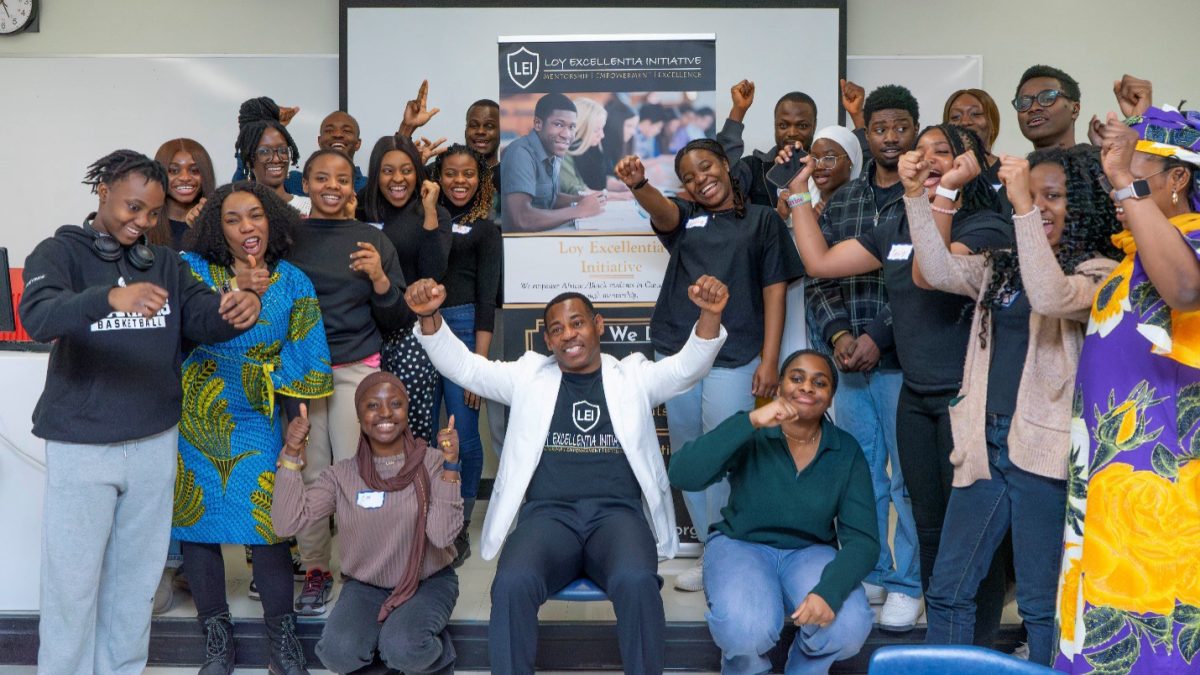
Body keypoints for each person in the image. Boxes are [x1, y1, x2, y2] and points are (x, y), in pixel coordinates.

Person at [408, 273, 731, 675]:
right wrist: (430, 321)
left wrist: (710, 315)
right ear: (548, 341)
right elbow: (467, 369)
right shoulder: (527, 376)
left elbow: (687, 369)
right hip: (548, 517)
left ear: (598, 325)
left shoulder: (633, 376)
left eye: (577, 322)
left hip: (618, 517)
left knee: (637, 582)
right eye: (556, 329)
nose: (568, 335)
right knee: (511, 583)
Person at [21, 150, 261, 675]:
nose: (142, 223)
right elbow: (38, 317)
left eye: (152, 214)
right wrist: (109, 297)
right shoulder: (58, 253)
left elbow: (201, 316)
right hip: (82, 446)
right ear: (102, 190)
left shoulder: (166, 264)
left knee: (135, 582)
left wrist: (238, 309)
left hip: (154, 442)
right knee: (73, 583)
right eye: (133, 208)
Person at [786, 123, 1014, 641]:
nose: (929, 159)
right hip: (916, 397)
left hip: (971, 402)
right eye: (924, 151)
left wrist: (939, 195)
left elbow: (932, 272)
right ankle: (943, 637)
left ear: (971, 162)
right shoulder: (896, 225)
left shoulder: (987, 226)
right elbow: (819, 260)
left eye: (945, 152)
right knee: (928, 524)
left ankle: (977, 644)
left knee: (974, 533)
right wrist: (798, 192)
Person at [901, 145, 1121, 665]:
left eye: (1054, 197)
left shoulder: (1101, 271)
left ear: (1083, 204)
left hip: (1042, 454)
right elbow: (934, 270)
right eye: (1032, 194)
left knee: (1042, 605)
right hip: (984, 443)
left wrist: (1022, 206)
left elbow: (1049, 295)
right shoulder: (1003, 267)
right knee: (949, 588)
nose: (1040, 206)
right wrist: (919, 195)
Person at [616, 139, 804, 593]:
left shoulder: (762, 219)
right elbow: (662, 212)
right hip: (678, 354)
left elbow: (774, 289)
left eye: (707, 167)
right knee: (688, 454)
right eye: (689, 176)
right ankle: (709, 548)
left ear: (726, 165)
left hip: (737, 353)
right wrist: (639, 184)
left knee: (726, 452)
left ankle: (727, 546)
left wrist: (770, 359)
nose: (701, 179)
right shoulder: (686, 217)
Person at [1054, 107, 1200, 674]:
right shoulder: (1133, 254)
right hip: (1108, 471)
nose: (1121, 182)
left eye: (1137, 171)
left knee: (1159, 605)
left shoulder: (1190, 243)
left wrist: (1121, 180)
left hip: (1163, 473)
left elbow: (1186, 290)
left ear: (1178, 178)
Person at [172, 181, 335, 675]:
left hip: (258, 417)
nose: (248, 227)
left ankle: (281, 641)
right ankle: (216, 639)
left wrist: (295, 428)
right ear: (216, 228)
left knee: (269, 526)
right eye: (234, 219)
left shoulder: (294, 282)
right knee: (198, 527)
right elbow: (179, 332)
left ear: (273, 222)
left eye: (257, 216)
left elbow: (304, 359)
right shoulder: (194, 272)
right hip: (198, 413)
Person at [669, 349, 878, 674]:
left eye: (819, 382)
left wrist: (829, 592)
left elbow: (863, 542)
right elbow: (682, 474)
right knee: (745, 630)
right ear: (779, 387)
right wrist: (750, 421)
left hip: (810, 552)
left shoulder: (845, 450)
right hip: (740, 545)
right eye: (797, 378)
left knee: (848, 625)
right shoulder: (753, 431)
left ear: (830, 396)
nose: (807, 387)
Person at [800, 85, 923, 630]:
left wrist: (879, 335)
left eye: (901, 126)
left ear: (915, 129)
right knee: (863, 474)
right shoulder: (844, 200)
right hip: (849, 366)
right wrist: (838, 338)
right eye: (880, 128)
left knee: (908, 481)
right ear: (865, 133)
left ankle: (908, 582)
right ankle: (870, 568)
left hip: (906, 364)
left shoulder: (927, 195)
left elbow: (922, 283)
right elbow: (818, 273)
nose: (891, 137)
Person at [286, 148, 409, 616]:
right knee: (311, 474)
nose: (331, 187)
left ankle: (368, 570)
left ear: (354, 185)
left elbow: (397, 317)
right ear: (306, 184)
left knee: (363, 475)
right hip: (300, 374)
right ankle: (316, 569)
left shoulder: (370, 239)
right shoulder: (287, 237)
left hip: (357, 371)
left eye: (341, 179)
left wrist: (379, 277)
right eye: (321, 178)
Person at [273, 373, 463, 675]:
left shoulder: (432, 462)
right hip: (367, 587)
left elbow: (441, 536)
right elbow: (286, 523)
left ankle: (435, 659)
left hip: (428, 582)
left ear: (407, 409)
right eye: (373, 405)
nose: (385, 413)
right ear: (359, 415)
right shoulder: (342, 476)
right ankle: (391, 654)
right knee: (337, 652)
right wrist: (292, 455)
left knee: (403, 647)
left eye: (395, 404)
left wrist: (452, 468)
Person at [428, 143, 502, 565]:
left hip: (463, 329)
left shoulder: (486, 230)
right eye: (451, 173)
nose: (460, 181)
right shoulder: (428, 219)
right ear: (439, 176)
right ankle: (422, 518)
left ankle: (457, 524)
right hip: (421, 325)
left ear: (481, 179)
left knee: (464, 435)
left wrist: (479, 364)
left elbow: (486, 298)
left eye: (468, 174)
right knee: (421, 430)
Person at [359, 134, 452, 443]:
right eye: (388, 170)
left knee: (412, 428)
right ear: (375, 173)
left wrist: (428, 211)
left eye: (406, 169)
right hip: (364, 334)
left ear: (418, 171)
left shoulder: (435, 213)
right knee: (366, 429)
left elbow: (433, 274)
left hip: (412, 338)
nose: (398, 178)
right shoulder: (359, 210)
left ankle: (414, 491)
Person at [501, 93, 606, 232]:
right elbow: (522, 218)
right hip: (522, 246)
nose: (566, 134)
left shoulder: (552, 151)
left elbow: (550, 198)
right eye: (558, 124)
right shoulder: (520, 154)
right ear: (538, 124)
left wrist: (582, 200)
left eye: (571, 127)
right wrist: (579, 210)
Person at [716, 79, 819, 215]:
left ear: (814, 125)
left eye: (803, 126)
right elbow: (722, 171)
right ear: (775, 125)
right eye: (783, 125)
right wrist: (738, 110)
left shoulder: (825, 168)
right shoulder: (755, 167)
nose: (792, 133)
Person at [236, 101, 312, 216]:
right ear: (248, 161)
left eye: (282, 150)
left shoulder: (311, 207)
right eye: (265, 151)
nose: (276, 159)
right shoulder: (237, 209)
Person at [150, 138, 216, 250]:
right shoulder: (144, 224)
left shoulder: (218, 225)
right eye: (173, 170)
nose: (185, 177)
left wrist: (205, 229)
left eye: (194, 170)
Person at [560, 97, 628, 196]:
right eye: (596, 130)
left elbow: (600, 180)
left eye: (602, 128)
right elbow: (579, 192)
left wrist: (622, 187)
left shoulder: (593, 146)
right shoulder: (563, 151)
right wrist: (620, 196)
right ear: (580, 127)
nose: (602, 135)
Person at [1013, 64, 1082, 151]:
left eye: (1047, 98)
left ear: (1075, 110)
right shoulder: (1008, 164)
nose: (1033, 108)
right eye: (1024, 103)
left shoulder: (1100, 162)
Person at [944, 89, 1001, 172]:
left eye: (975, 114)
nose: (965, 122)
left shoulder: (1010, 173)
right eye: (955, 117)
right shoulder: (939, 173)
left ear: (993, 124)